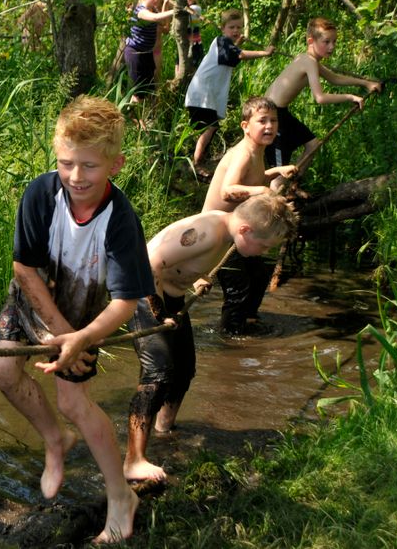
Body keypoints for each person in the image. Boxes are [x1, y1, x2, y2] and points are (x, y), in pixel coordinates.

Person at [0, 95, 152, 544]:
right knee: (0, 368)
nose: (76, 176)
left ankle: (121, 497)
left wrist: (79, 337)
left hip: (83, 312)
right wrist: (60, 333)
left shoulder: (121, 221)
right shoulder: (41, 194)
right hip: (36, 293)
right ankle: (55, 440)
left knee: (74, 403)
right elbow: (24, 268)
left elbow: (125, 302)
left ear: (115, 164)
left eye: (89, 166)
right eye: (66, 163)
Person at [124, 192, 298, 482]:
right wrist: (158, 314)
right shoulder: (208, 233)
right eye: (264, 245)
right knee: (158, 374)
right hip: (143, 293)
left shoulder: (227, 236)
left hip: (171, 297)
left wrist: (195, 279)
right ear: (245, 229)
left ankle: (164, 431)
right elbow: (149, 262)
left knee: (184, 371)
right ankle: (134, 460)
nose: (264, 252)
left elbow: (181, 261)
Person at [202, 96, 297, 336]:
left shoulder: (256, 151)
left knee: (259, 274)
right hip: (217, 234)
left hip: (234, 231)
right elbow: (228, 190)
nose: (269, 126)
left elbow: (253, 178)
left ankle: (249, 321)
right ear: (245, 126)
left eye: (273, 121)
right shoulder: (243, 153)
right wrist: (263, 191)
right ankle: (230, 336)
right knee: (238, 287)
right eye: (262, 121)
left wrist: (277, 171)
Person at [264, 17, 381, 182]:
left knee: (312, 144)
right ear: (310, 41)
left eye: (334, 41)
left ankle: (292, 184)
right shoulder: (308, 61)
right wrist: (350, 97)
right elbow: (320, 98)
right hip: (271, 115)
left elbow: (335, 78)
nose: (331, 46)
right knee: (278, 174)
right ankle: (276, 191)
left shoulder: (309, 60)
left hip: (280, 112)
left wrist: (366, 83)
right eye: (326, 42)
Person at [185, 9, 275, 178]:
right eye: (231, 27)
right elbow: (240, 55)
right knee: (210, 127)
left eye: (239, 27)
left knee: (209, 128)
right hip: (201, 94)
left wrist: (237, 44)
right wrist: (264, 53)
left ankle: (197, 160)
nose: (235, 31)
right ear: (222, 28)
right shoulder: (222, 40)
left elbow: (231, 56)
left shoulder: (226, 45)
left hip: (205, 95)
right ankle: (196, 164)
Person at [124, 0, 177, 104]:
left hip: (147, 53)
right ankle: (132, 114)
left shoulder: (153, 10)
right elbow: (154, 18)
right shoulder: (140, 10)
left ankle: (143, 114)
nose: (156, 0)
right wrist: (175, 10)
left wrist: (165, 5)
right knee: (138, 92)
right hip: (135, 53)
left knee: (148, 89)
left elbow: (162, 23)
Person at [185, 0, 205, 69]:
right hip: (187, 41)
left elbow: (184, 11)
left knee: (194, 63)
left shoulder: (196, 8)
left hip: (194, 42)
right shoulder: (188, 8)